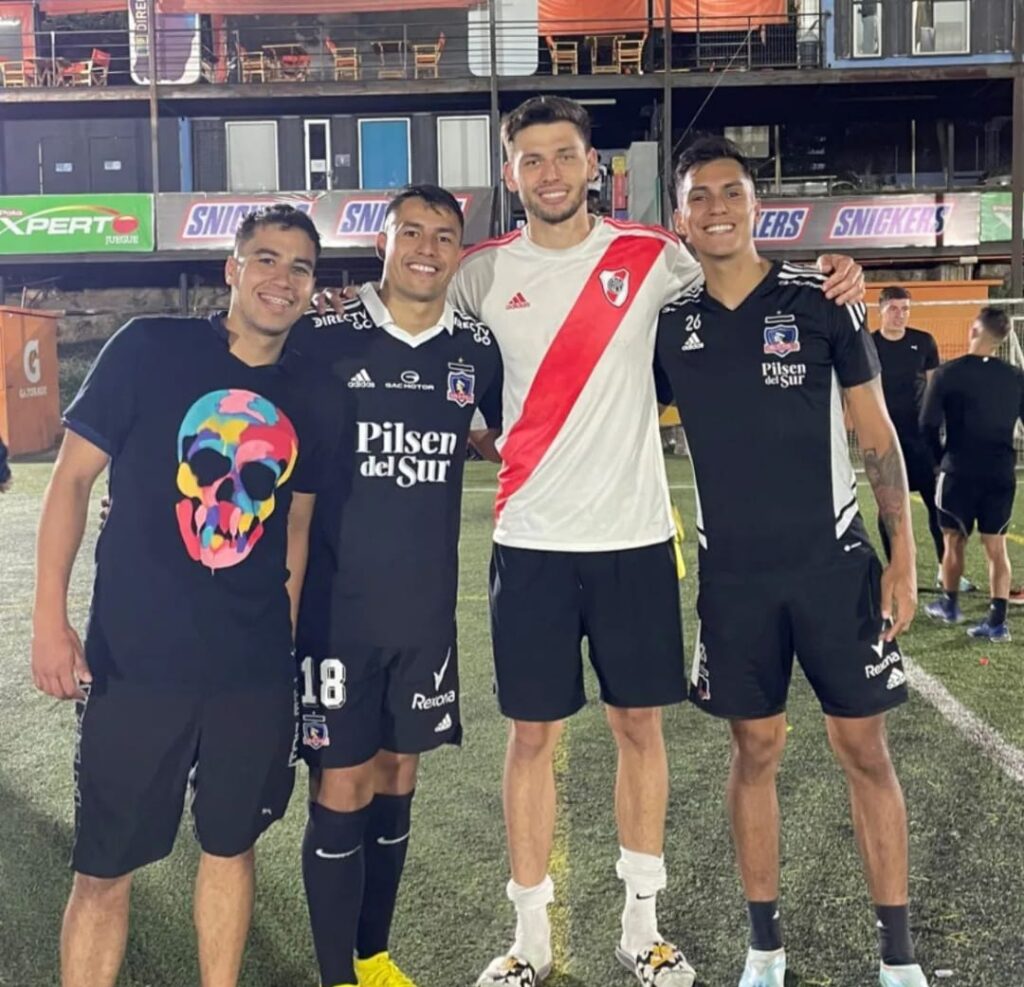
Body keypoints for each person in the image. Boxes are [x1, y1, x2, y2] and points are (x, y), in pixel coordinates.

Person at [346, 96, 859, 987]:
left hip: (632, 539)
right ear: (511, 175)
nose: (549, 173)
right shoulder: (477, 272)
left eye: (564, 156)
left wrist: (837, 274)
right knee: (532, 737)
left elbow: (748, 283)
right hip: (531, 540)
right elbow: (419, 329)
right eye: (531, 159)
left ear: (595, 168)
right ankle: (531, 938)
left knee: (638, 727)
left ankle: (641, 928)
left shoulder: (655, 257)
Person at [31, 205, 336, 987]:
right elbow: (70, 482)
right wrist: (49, 621)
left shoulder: (316, 393)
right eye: (266, 258)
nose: (282, 278)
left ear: (312, 288)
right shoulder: (150, 349)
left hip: (250, 671)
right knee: (104, 867)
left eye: (300, 266)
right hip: (137, 661)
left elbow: (295, 531)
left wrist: (285, 646)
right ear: (231, 269)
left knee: (231, 849)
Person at [656, 136, 926, 987]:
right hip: (732, 578)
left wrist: (903, 551)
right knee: (756, 748)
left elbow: (874, 431)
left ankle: (898, 956)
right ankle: (764, 946)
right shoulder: (670, 324)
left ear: (756, 204)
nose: (717, 208)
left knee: (865, 748)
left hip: (832, 565)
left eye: (731, 191)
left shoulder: (823, 300)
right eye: (699, 196)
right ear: (681, 216)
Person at [293, 185, 502, 987]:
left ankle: (373, 954)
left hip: (422, 615)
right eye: (409, 231)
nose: (425, 246)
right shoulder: (323, 336)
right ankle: (334, 975)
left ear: (459, 250)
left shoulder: (476, 349)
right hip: (333, 616)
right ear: (382, 243)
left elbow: (497, 434)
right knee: (340, 778)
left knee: (397, 775)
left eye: (442, 235)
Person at [922, 306, 1024, 642]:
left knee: (954, 540)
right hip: (1000, 472)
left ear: (973, 330)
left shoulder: (948, 373)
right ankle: (996, 622)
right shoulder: (1015, 377)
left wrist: (940, 462)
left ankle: (950, 606)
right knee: (996, 547)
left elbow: (927, 424)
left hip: (959, 471)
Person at [871, 286, 963, 588]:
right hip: (886, 439)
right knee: (890, 511)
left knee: (939, 506)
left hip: (922, 441)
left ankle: (945, 571)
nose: (900, 314)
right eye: (894, 308)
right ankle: (896, 571)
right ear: (880, 309)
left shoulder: (923, 341)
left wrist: (944, 429)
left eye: (905, 308)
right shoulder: (868, 345)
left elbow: (935, 388)